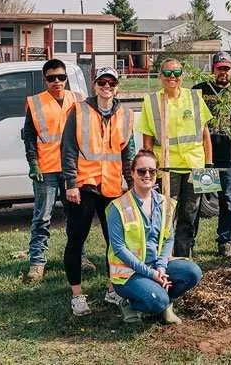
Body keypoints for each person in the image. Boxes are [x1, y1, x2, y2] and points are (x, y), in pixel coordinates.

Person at [61, 67, 135, 316]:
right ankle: (77, 294)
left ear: (117, 87)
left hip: (112, 187)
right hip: (84, 186)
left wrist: (131, 184)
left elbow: (127, 153)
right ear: (94, 85)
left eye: (111, 83)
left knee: (115, 242)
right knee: (76, 239)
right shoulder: (79, 110)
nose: (107, 87)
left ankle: (112, 289)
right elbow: (68, 148)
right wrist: (71, 183)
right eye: (102, 82)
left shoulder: (126, 114)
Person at [107, 150, 202, 324]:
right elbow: (119, 249)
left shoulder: (164, 203)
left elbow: (169, 238)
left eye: (152, 171)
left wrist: (161, 268)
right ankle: (130, 303)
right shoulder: (118, 207)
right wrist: (151, 273)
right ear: (132, 173)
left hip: (156, 266)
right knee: (157, 301)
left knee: (193, 272)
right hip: (129, 273)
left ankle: (165, 301)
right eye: (141, 171)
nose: (147, 175)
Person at [23, 59, 96, 281]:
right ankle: (37, 263)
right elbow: (29, 136)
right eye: (51, 78)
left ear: (66, 78)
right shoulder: (36, 103)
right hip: (46, 169)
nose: (57, 81)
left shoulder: (78, 100)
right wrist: (33, 162)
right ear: (44, 79)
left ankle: (80, 257)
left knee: (76, 217)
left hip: (72, 169)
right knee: (42, 218)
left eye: (61, 77)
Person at [137, 58, 212, 258]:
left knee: (190, 213)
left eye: (177, 73)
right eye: (168, 73)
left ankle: (184, 256)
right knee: (166, 216)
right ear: (160, 76)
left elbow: (206, 135)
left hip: (195, 165)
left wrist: (209, 165)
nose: (173, 77)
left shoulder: (194, 98)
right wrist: (150, 170)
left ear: (183, 76)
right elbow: (147, 141)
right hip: (167, 168)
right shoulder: (152, 101)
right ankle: (165, 257)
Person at [192, 52, 231, 259]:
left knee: (227, 199)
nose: (223, 72)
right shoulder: (200, 90)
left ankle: (225, 241)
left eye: (227, 69)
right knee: (199, 200)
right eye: (220, 68)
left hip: (228, 156)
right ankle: (190, 242)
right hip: (205, 156)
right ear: (213, 69)